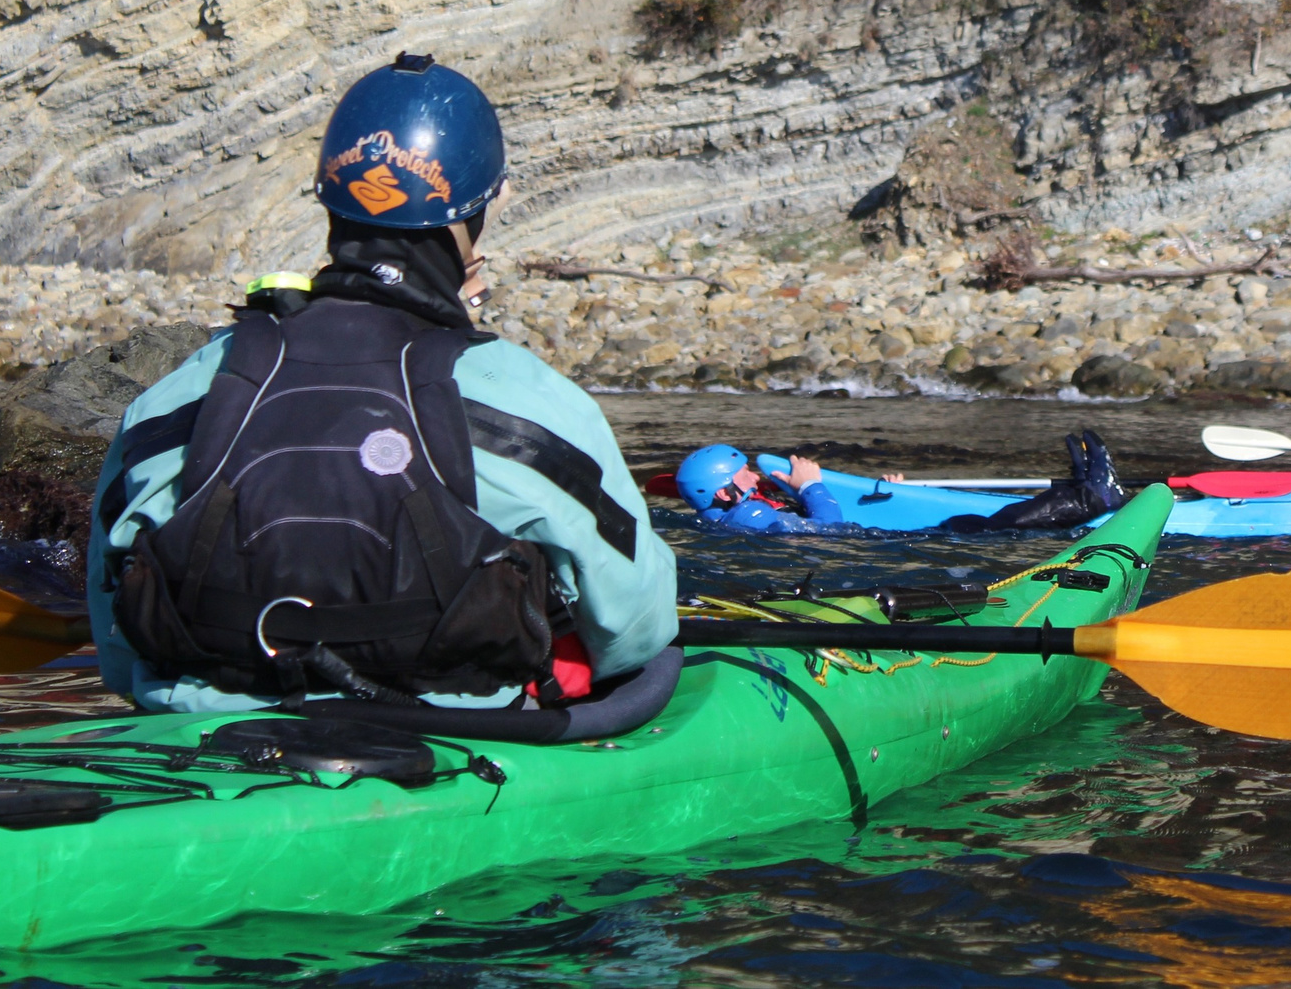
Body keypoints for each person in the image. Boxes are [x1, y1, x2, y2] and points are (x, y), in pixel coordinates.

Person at [87, 53, 680, 724]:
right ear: (476, 213)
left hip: (193, 728)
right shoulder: (530, 401)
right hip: (446, 736)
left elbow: (114, 642)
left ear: (330, 202)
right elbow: (638, 627)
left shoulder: (180, 392)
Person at [675, 431, 1127, 533]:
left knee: (982, 521)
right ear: (723, 490)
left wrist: (889, 497)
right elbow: (828, 532)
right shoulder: (749, 513)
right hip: (876, 547)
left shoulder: (743, 508)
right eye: (744, 473)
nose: (753, 474)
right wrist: (812, 486)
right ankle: (1092, 497)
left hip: (878, 535)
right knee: (986, 526)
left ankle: (1077, 492)